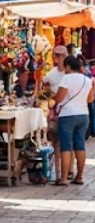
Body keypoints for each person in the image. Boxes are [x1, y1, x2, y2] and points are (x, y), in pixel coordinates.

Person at [53, 55, 94, 186]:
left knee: (66, 146)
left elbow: (59, 98)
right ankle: (79, 177)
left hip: (67, 115)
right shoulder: (87, 80)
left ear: (68, 66)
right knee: (80, 145)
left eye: (65, 67)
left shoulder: (67, 78)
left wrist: (55, 96)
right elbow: (90, 100)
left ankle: (64, 178)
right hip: (83, 115)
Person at [44, 45, 69, 180]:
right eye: (56, 55)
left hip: (67, 111)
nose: (59, 58)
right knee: (56, 142)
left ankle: (67, 171)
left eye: (62, 55)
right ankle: (58, 172)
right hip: (55, 112)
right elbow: (44, 89)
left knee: (66, 143)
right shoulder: (51, 74)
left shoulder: (70, 73)